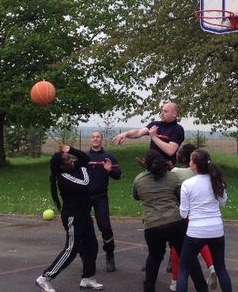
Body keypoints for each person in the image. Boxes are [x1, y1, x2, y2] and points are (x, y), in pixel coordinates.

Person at [133, 149, 209, 292]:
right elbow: (180, 197)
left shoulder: (139, 180)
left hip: (152, 225)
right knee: (189, 257)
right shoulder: (172, 177)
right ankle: (202, 288)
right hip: (175, 222)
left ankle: (148, 288)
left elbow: (136, 196)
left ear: (146, 164)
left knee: (154, 258)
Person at [36, 145, 103, 291]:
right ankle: (45, 278)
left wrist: (70, 149)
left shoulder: (73, 166)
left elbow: (85, 158)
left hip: (84, 214)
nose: (71, 159)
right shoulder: (64, 177)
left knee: (92, 245)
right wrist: (84, 168)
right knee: (71, 249)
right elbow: (86, 183)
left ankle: (88, 278)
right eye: (67, 159)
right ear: (61, 165)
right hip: (73, 216)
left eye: (70, 157)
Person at [176, 149, 232, 292]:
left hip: (196, 231)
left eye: (190, 161)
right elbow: (222, 203)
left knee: (183, 270)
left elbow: (183, 214)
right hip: (216, 230)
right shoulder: (216, 181)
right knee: (221, 269)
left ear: (194, 165)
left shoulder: (188, 184)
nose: (189, 163)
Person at [170, 144, 217, 291]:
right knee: (202, 244)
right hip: (206, 217)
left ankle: (175, 279)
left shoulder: (175, 172)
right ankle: (211, 266)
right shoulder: (207, 175)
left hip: (185, 215)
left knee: (177, 249)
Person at [87, 130, 122, 272]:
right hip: (85, 197)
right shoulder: (84, 157)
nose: (95, 139)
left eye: (98, 137)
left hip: (101, 196)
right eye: (93, 137)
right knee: (82, 227)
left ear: (102, 140)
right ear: (91, 140)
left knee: (105, 227)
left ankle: (109, 255)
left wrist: (109, 170)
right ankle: (86, 257)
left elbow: (118, 175)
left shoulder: (109, 157)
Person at [113, 102, 184, 164]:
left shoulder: (177, 129)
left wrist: (154, 137)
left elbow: (170, 150)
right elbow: (138, 132)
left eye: (165, 111)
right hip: (150, 168)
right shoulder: (155, 124)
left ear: (174, 114)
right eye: (162, 111)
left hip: (166, 170)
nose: (162, 114)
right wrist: (125, 134)